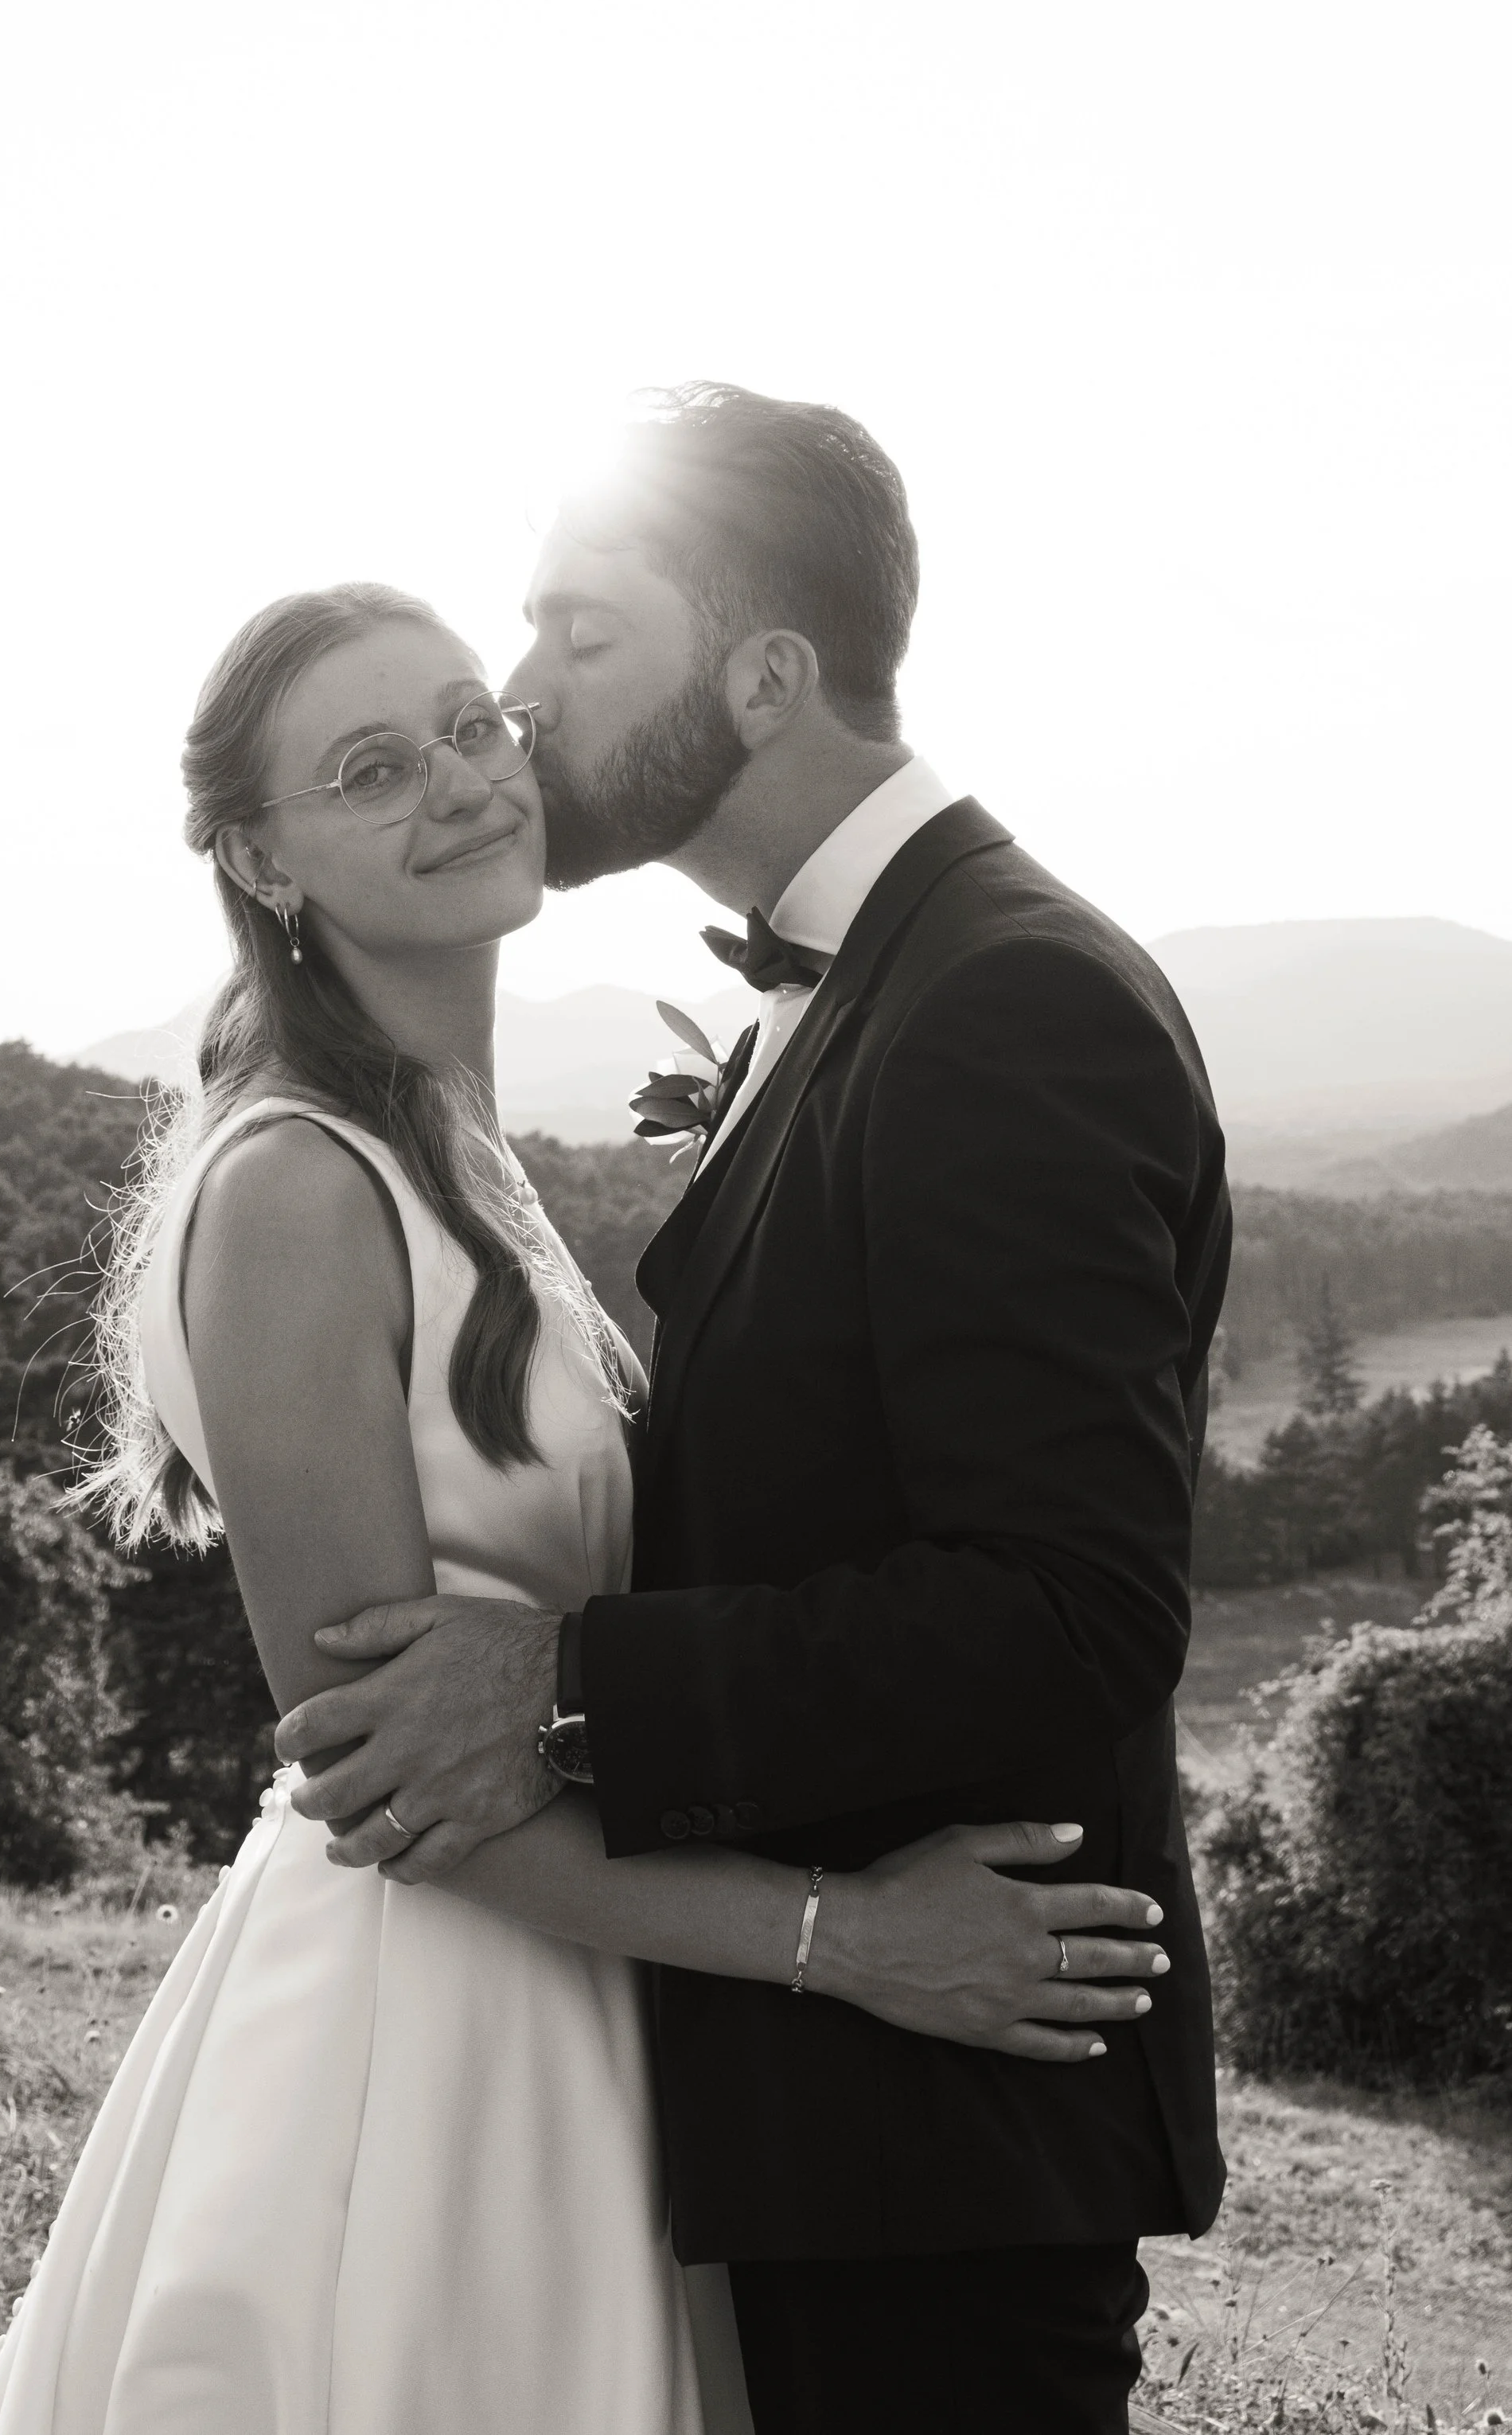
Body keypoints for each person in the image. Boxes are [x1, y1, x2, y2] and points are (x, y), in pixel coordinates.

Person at [0, 573, 1172, 2435]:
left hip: (602, 1984)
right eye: (369, 769)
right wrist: (847, 1937)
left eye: (469, 724)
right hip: (425, 2034)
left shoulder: (449, 1145)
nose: (459, 779)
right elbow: (379, 1777)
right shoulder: (295, 1188)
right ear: (260, 861)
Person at [275, 388, 1232, 2435]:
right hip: (818, 2107)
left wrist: (560, 1685)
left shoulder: (1002, 1000)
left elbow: (1071, 1607)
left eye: (579, 633)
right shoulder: (864, 987)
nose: (521, 697)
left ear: (766, 675)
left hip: (948, 2116)